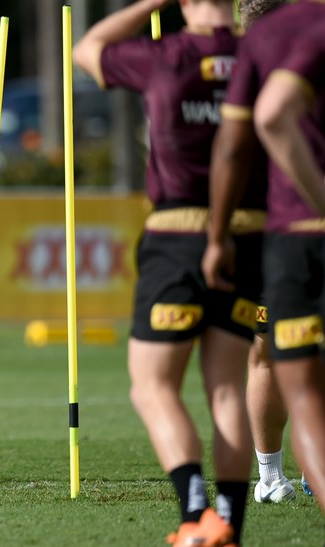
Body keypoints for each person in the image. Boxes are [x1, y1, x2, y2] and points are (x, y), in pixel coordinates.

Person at [74, 1, 255, 545]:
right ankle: (229, 524)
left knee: (152, 386)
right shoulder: (259, 51)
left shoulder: (167, 55)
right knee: (227, 389)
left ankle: (195, 511)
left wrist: (150, 3)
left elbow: (87, 49)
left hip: (178, 235)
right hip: (250, 234)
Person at [201, 0, 295, 506]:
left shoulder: (223, 75)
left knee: (268, 354)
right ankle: (273, 475)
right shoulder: (296, 64)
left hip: (258, 238)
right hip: (289, 230)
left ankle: (270, 476)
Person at [252, 18, 325, 514]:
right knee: (273, 357)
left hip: (275, 239)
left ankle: (282, 473)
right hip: (277, 235)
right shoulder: (257, 72)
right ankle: (272, 475)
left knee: (275, 358)